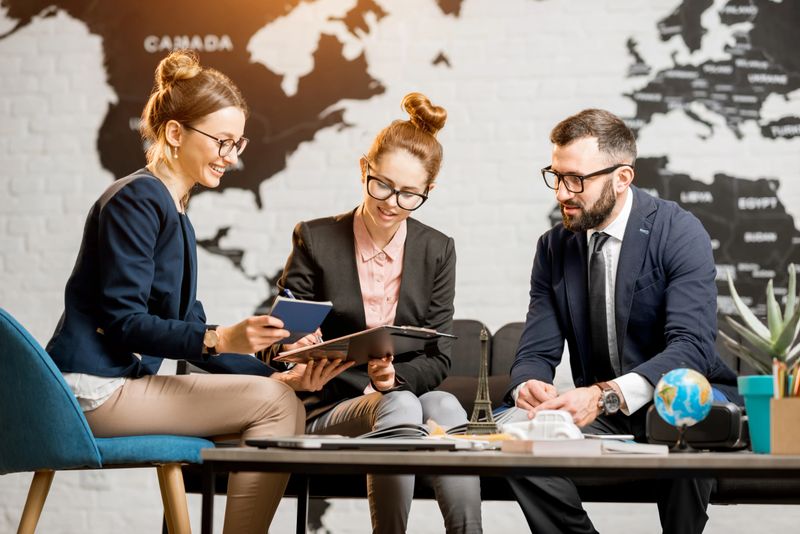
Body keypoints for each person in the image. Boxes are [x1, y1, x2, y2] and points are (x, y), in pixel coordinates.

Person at [45, 50, 351, 534]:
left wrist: (280, 370)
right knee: (277, 407)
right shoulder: (137, 201)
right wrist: (223, 340)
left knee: (280, 401)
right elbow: (125, 324)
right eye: (223, 141)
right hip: (93, 389)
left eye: (238, 142)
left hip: (118, 386)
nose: (233, 156)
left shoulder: (175, 212)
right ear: (173, 133)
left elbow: (189, 325)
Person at [498, 108, 740, 534]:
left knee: (685, 421)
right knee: (515, 438)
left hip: (674, 397)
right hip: (602, 411)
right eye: (555, 176)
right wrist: (528, 386)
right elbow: (536, 350)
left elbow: (692, 347)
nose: (561, 192)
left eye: (576, 179)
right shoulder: (554, 247)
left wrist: (606, 394)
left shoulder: (679, 231)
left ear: (622, 177)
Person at [265, 92, 482, 534]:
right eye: (381, 184)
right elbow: (277, 337)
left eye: (408, 195)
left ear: (428, 192)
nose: (390, 203)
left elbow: (438, 357)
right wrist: (293, 348)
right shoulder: (316, 239)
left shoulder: (437, 250)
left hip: (395, 401)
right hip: (328, 403)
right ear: (364, 168)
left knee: (443, 403)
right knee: (403, 404)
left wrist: (392, 379)